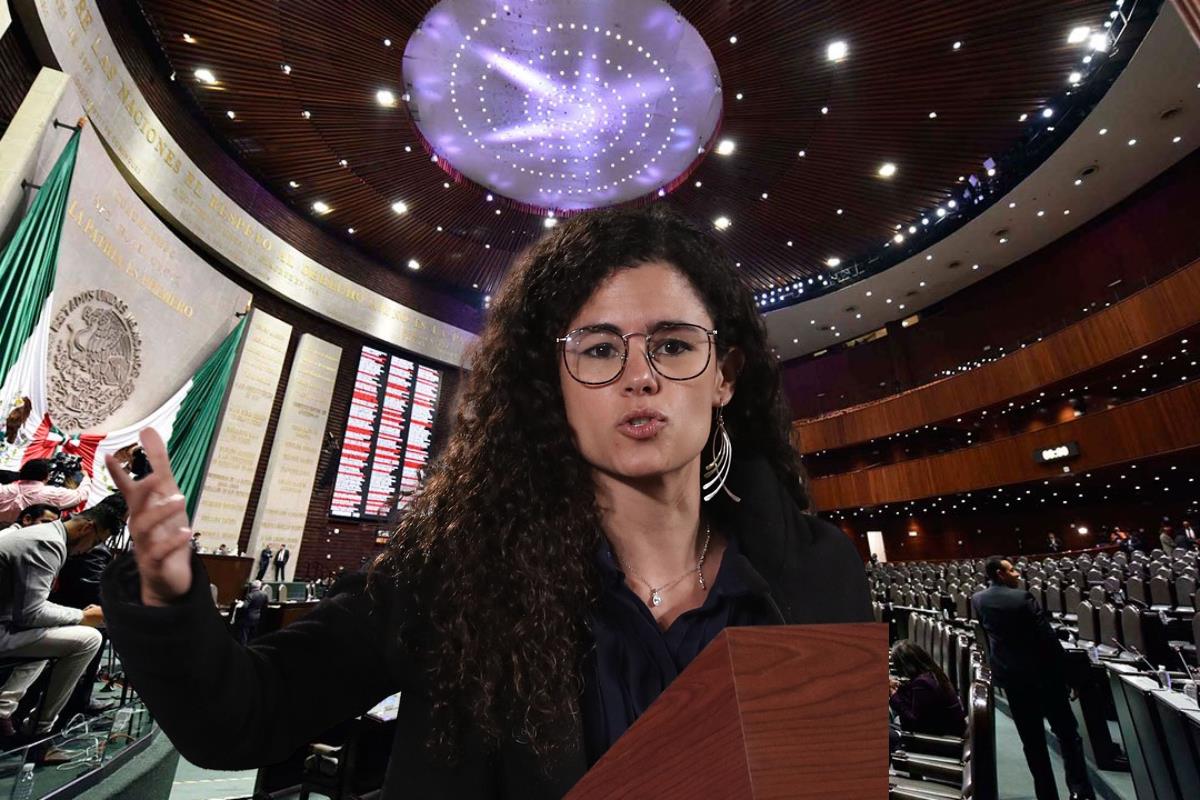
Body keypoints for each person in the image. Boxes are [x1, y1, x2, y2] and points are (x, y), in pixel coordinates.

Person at [99, 206, 872, 797]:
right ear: (555, 386)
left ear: (725, 374)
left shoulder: (818, 575)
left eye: (672, 345)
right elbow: (245, 718)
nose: (641, 378)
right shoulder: (456, 573)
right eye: (600, 349)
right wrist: (167, 595)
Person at [0, 493, 126, 747]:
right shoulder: (49, 543)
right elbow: (31, 614)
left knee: (61, 632)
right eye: (97, 541)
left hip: (7, 622)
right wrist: (84, 616)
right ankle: (39, 733)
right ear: (88, 527)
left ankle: (6, 711)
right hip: (5, 627)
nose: (90, 549)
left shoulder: (46, 535)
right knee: (88, 639)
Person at [972, 557, 1094, 800]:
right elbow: (1047, 641)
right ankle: (1080, 792)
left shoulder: (978, 599)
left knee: (1033, 743)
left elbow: (990, 638)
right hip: (1045, 679)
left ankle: (1046, 795)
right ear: (999, 573)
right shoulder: (1022, 598)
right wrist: (1069, 676)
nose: (1018, 574)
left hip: (1013, 682)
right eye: (1012, 570)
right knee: (1068, 736)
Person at [888, 641, 965, 737]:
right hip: (940, 731)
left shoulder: (922, 683)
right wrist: (901, 688)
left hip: (936, 742)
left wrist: (894, 696)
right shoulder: (933, 673)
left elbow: (914, 723)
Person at [0, 459, 90, 525]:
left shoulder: (4, 489)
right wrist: (86, 477)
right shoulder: (51, 494)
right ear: (47, 477)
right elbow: (81, 495)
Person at [234, 581, 268, 646]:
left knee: (244, 636)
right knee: (252, 635)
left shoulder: (250, 595)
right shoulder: (264, 594)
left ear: (252, 587)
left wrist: (241, 603)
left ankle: (243, 649)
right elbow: (265, 606)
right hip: (257, 617)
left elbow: (245, 606)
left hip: (248, 618)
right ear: (259, 586)